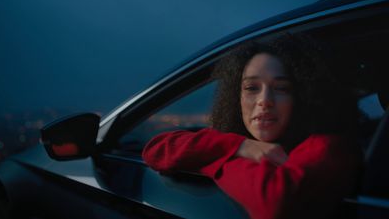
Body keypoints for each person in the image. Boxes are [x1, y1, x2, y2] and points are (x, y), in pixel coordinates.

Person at [142, 34, 362, 219]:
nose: (264, 100)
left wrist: (215, 157)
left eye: (282, 88)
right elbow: (155, 150)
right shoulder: (234, 139)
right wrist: (240, 146)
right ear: (235, 98)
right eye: (251, 87)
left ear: (303, 95)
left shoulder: (330, 148)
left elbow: (273, 201)